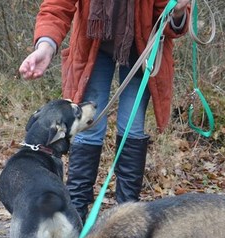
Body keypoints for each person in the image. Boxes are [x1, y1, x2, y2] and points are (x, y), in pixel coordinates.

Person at [19, 0, 192, 222]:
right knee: (88, 126)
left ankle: (128, 220)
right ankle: (74, 217)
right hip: (92, 44)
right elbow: (56, 6)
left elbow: (168, 20)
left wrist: (177, 13)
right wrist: (45, 47)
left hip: (143, 47)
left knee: (133, 127)